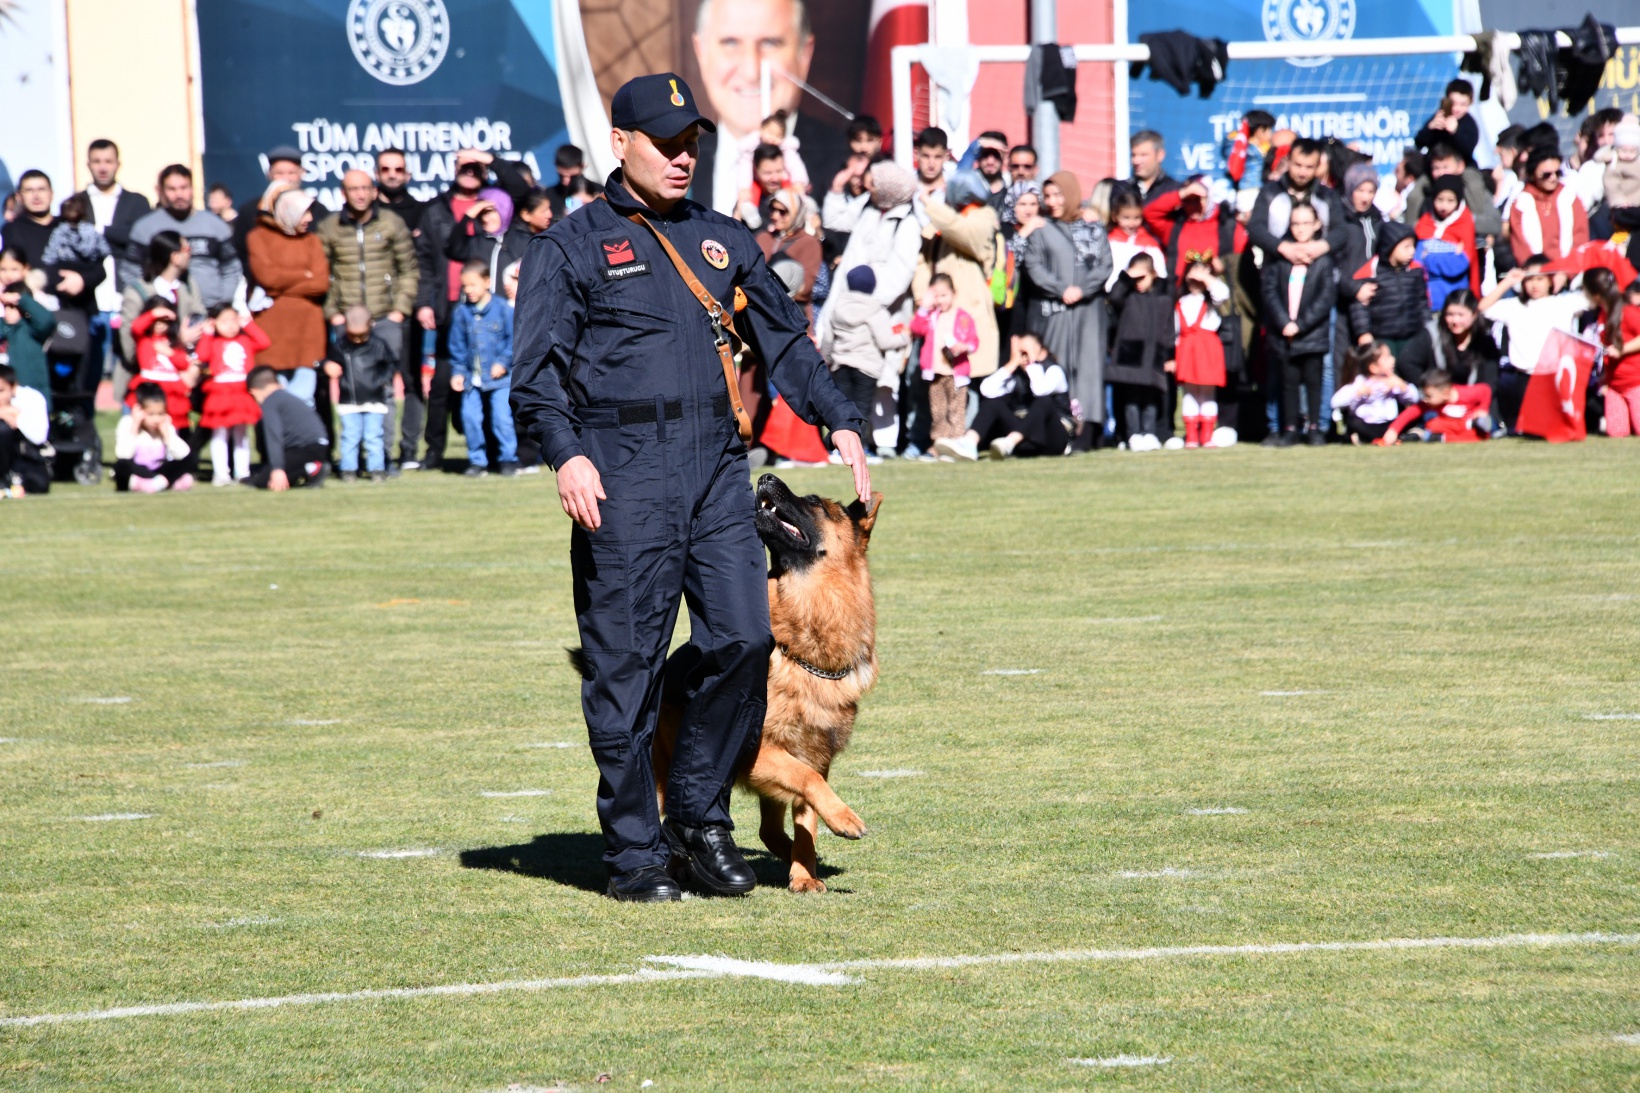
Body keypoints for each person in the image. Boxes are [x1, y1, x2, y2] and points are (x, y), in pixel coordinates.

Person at [508, 72, 868, 902]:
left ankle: (700, 819)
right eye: (663, 142)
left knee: (742, 640)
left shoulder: (723, 239)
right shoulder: (571, 245)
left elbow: (789, 343)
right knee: (626, 667)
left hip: (714, 465)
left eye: (690, 142)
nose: (680, 156)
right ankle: (635, 853)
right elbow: (534, 380)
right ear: (621, 143)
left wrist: (837, 417)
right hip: (621, 470)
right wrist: (567, 454)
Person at [690, 0, 846, 215]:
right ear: (702, 54)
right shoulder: (674, 161)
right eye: (731, 43)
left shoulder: (847, 161)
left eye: (771, 43)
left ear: (804, 55)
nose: (751, 72)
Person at [317, 168, 419, 468]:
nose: (360, 194)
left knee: (383, 389)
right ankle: (350, 459)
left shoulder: (391, 222)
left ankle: (381, 458)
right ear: (342, 193)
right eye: (353, 189)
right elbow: (324, 275)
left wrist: (400, 310)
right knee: (348, 388)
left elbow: (409, 269)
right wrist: (333, 314)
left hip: (386, 318)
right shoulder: (330, 227)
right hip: (345, 321)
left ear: (374, 191)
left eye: (365, 188)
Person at [1020, 171, 1109, 445]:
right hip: (1055, 311)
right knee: (1058, 367)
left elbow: (1105, 263)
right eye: (1047, 196)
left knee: (1088, 369)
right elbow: (1034, 266)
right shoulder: (1040, 229)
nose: (1052, 201)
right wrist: (1062, 289)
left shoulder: (1093, 227)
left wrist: (1083, 289)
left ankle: (1087, 431)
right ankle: (1059, 426)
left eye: (1058, 194)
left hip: (1089, 312)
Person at [246, 184, 330, 411]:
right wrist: (304, 274)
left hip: (307, 330)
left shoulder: (312, 241)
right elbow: (267, 278)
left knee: (304, 397)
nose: (309, 218)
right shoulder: (258, 237)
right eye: (304, 212)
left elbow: (321, 283)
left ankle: (301, 444)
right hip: (272, 330)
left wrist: (281, 285)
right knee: (274, 395)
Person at [1477, 257, 1585, 430]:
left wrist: (1566, 273)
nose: (1534, 284)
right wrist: (1507, 282)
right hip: (1524, 378)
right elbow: (1483, 308)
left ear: (1550, 280)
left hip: (1555, 377)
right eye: (1530, 279)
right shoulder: (1513, 306)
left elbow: (1596, 296)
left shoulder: (1564, 303)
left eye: (1540, 278)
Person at [1261, 204, 1337, 446]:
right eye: (1295, 223)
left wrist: (1301, 325)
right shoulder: (1279, 259)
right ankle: (1290, 428)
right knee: (1288, 383)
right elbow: (1270, 292)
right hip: (1285, 334)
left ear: (1316, 225)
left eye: (1306, 223)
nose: (1301, 229)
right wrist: (1284, 322)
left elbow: (1325, 298)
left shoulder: (1324, 261)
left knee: (1315, 382)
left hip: (1311, 334)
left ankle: (1315, 428)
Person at [125, 165, 241, 310]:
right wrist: (147, 303)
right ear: (161, 191)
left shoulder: (216, 226)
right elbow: (130, 271)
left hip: (211, 312)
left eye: (184, 187)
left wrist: (222, 305)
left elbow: (231, 269)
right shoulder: (144, 228)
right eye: (172, 189)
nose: (179, 194)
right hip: (161, 317)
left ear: (193, 188)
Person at [77, 140, 150, 371]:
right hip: (90, 299)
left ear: (118, 164)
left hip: (125, 296)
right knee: (90, 367)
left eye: (108, 161)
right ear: (88, 165)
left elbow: (139, 243)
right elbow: (75, 248)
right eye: (97, 161)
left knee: (127, 366)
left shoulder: (137, 202)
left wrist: (102, 233)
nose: (103, 167)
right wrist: (118, 238)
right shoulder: (76, 203)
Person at [820, 264, 905, 456]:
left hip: (841, 365)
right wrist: (905, 337)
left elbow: (827, 339)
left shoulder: (837, 306)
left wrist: (827, 359)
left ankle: (837, 449)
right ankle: (860, 449)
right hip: (866, 367)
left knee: (841, 409)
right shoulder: (875, 310)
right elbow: (885, 341)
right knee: (862, 409)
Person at [448, 258, 517, 478]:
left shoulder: (503, 309)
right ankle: (477, 461)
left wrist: (503, 363)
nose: (468, 290)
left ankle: (508, 460)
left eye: (473, 285)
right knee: (470, 418)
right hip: (472, 379)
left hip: (500, 379)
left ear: (487, 282)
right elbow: (457, 347)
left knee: (501, 419)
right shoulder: (461, 313)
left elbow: (514, 340)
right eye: (465, 286)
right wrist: (458, 373)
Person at [118, 232, 206, 401]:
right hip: (146, 379)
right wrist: (177, 340)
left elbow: (200, 316)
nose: (190, 254)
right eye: (187, 249)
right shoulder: (138, 292)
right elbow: (129, 340)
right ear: (175, 257)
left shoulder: (187, 286)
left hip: (179, 376)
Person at [959, 330, 1073, 458]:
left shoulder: (1054, 371)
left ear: (1037, 349)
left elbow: (1040, 390)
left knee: (1044, 401)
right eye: (1018, 353)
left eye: (1024, 352)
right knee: (993, 402)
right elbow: (986, 390)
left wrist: (1031, 363)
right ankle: (968, 444)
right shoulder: (1016, 376)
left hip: (1053, 439)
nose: (1022, 357)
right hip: (1027, 440)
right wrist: (1012, 364)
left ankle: (1009, 442)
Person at [195, 303, 269, 485]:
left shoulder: (245, 341)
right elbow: (202, 356)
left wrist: (248, 325)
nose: (230, 325)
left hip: (242, 392)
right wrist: (207, 333)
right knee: (219, 434)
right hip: (220, 392)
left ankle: (242, 471)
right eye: (224, 321)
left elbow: (264, 342)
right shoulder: (213, 342)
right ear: (214, 323)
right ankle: (221, 473)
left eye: (233, 320)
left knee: (241, 434)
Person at [1349, 220, 1432, 382]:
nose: (1412, 251)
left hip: (1412, 335)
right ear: (1390, 246)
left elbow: (1422, 302)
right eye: (1406, 247)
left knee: (1412, 376)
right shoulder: (1370, 271)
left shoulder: (1415, 270)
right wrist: (1363, 333)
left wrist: (1427, 329)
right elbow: (1360, 307)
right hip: (1383, 337)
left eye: (1413, 246)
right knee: (1387, 378)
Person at [1105, 253, 1172, 450]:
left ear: (1153, 274)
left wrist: (1170, 355)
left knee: (1151, 398)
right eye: (1135, 278)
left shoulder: (1163, 298)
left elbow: (1168, 328)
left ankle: (1149, 433)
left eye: (1142, 277)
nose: (1138, 283)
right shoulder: (1127, 295)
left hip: (1154, 356)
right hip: (1130, 355)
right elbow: (1113, 296)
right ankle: (1132, 434)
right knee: (1131, 398)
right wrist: (1126, 277)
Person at [324, 305, 396, 482]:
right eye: (352, 334)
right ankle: (348, 469)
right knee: (350, 436)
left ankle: (376, 469)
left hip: (374, 400)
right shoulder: (340, 345)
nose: (356, 339)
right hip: (349, 401)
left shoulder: (379, 345)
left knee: (373, 436)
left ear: (370, 326)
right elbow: (328, 361)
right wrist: (326, 365)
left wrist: (382, 382)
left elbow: (390, 365)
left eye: (361, 335)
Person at [915, 273, 979, 458]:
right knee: (938, 412)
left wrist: (964, 346)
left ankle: (955, 446)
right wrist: (923, 308)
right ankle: (938, 446)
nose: (941, 300)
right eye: (937, 296)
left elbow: (974, 341)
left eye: (944, 295)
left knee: (956, 411)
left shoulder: (963, 317)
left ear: (953, 294)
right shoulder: (931, 316)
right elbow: (916, 329)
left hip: (956, 373)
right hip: (936, 373)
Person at [1174, 259, 1231, 448]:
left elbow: (1223, 292)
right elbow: (1175, 331)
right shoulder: (1180, 302)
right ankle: (1191, 435)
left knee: (1207, 392)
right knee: (1190, 393)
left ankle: (1206, 435)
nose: (1195, 284)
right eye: (1192, 280)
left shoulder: (1212, 300)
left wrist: (1206, 276)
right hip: (1187, 349)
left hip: (1207, 349)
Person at [245, 366, 330, 489]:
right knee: (261, 472)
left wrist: (277, 469)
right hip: (318, 446)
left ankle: (311, 469)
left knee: (263, 481)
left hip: (306, 449)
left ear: (254, 391)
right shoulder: (285, 397)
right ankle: (308, 467)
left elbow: (274, 438)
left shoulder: (270, 402)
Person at [126, 296, 199, 430]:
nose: (159, 325)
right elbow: (136, 327)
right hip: (151, 386)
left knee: (172, 426)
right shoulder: (144, 339)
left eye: (164, 321)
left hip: (172, 388)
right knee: (149, 424)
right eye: (155, 321)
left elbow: (184, 363)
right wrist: (156, 313)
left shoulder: (174, 342)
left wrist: (168, 352)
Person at [1509, 145, 1588, 267]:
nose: (1553, 178)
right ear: (1532, 174)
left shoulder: (1570, 197)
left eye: (1557, 173)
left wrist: (1567, 271)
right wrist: (1539, 273)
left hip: (1568, 274)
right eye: (1546, 174)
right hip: (1535, 276)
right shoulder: (1521, 203)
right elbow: (1520, 246)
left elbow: (1580, 237)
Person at [0, 247, 57, 403]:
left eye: (15, 308)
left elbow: (47, 321)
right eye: (7, 307)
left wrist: (21, 300)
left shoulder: (31, 331)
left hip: (32, 397)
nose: (10, 311)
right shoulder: (3, 326)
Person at [1413, 176, 1479, 310]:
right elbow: (1416, 262)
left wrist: (1429, 258)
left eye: (1450, 201)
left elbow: (1459, 264)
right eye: (1440, 200)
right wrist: (1450, 256)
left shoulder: (1465, 222)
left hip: (1454, 298)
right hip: (1428, 299)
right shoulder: (1425, 222)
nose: (1444, 206)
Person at [114, 383, 194, 492]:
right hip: (137, 471)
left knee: (190, 457)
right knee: (121, 466)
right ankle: (163, 482)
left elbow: (182, 454)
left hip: (158, 472)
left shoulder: (165, 426)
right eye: (151, 414)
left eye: (160, 414)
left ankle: (156, 483)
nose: (156, 419)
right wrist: (135, 426)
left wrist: (167, 435)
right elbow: (123, 454)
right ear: (139, 410)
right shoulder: (128, 423)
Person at [1331, 341, 1417, 443]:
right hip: (1367, 425)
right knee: (1353, 422)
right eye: (1387, 358)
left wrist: (1403, 387)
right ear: (1374, 368)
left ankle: (1395, 436)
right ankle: (1365, 438)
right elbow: (1335, 402)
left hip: (1390, 425)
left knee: (1412, 414)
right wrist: (1358, 393)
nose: (1393, 360)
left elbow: (1414, 399)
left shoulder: (1393, 380)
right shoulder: (1360, 382)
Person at [758, 187, 822, 322]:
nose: (775, 216)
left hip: (790, 316)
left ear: (796, 212)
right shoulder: (763, 237)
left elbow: (805, 288)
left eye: (782, 211)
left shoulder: (809, 243)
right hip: (759, 313)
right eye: (772, 209)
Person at [1436, 289, 1502, 418]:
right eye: (1450, 314)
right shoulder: (1433, 335)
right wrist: (1431, 391)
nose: (1455, 320)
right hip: (1443, 402)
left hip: (1476, 402)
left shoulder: (1486, 341)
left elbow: (1490, 380)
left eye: (1461, 315)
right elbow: (1408, 362)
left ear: (1474, 314)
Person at [1383, 368, 1492, 443]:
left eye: (1429, 396)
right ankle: (1439, 437)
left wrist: (1482, 409)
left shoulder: (1466, 394)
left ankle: (1439, 438)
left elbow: (1485, 389)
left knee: (1478, 433)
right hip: (1451, 428)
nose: (1426, 399)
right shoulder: (1432, 403)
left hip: (1470, 425)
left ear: (1445, 393)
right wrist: (1393, 430)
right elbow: (1411, 412)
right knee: (1433, 424)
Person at [0, 364, 51, 496]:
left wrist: (17, 417)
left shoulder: (31, 399)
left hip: (24, 456)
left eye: (1, 390)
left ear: (13, 386)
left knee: (39, 483)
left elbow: (39, 437)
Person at [1600, 276, 1640, 437]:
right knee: (1616, 432)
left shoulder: (1630, 313)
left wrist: (1622, 350)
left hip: (1636, 382)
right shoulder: (1604, 315)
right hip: (1615, 384)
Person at [1105, 189, 1165, 290]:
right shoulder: (1109, 242)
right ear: (1115, 217)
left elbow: (1160, 272)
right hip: (1110, 295)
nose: (1132, 223)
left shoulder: (1149, 245)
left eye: (1137, 218)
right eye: (1126, 218)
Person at [1415, 79, 1480, 165]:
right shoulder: (1439, 117)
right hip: (1435, 166)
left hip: (1461, 168)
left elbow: (1468, 150)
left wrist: (1455, 132)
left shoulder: (1469, 123)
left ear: (1471, 102)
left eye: (1463, 104)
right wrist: (1430, 128)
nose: (1457, 108)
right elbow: (1419, 143)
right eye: (1453, 103)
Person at [1222, 110, 1276, 204]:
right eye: (1269, 130)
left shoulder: (1264, 148)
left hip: (1262, 191)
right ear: (1260, 131)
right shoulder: (1241, 149)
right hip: (1248, 193)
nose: (1272, 134)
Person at [373, 148, 425, 232]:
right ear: (377, 174)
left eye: (398, 170)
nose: (392, 175)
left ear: (407, 175)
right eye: (385, 169)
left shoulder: (422, 214)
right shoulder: (366, 212)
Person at [549, 144, 603, 216]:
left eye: (573, 177)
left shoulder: (599, 191)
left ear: (583, 166)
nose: (566, 181)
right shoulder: (548, 198)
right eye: (561, 176)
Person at [1128, 131, 1180, 204]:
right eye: (1133, 155)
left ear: (1160, 155)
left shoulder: (1174, 189)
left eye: (1143, 155)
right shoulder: (1123, 188)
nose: (1136, 161)